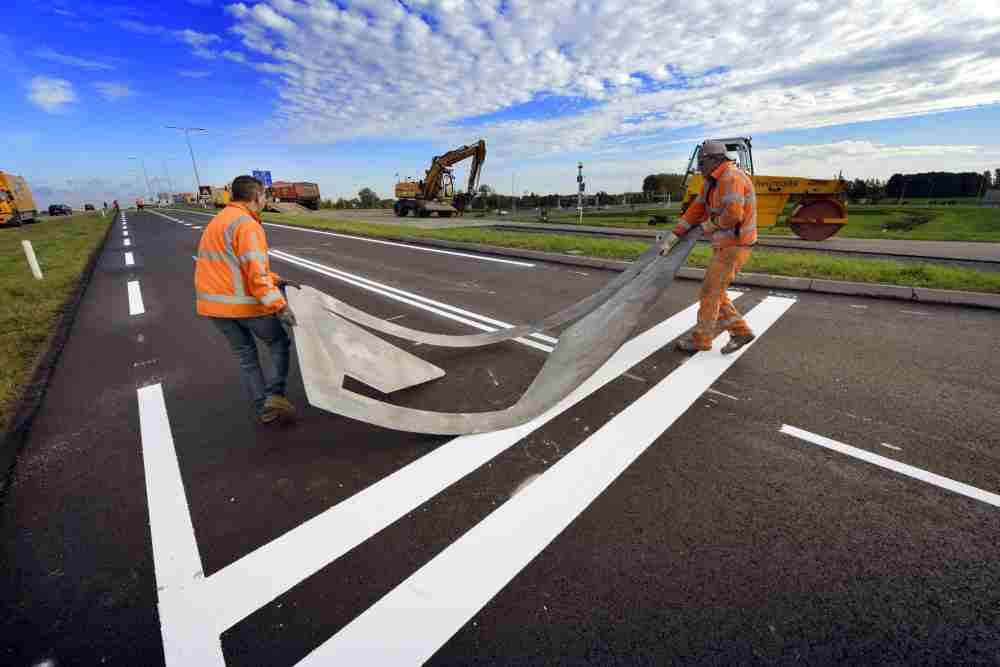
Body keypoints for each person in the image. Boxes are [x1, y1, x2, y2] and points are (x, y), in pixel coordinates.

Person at [194, 175, 302, 424]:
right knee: (278, 342)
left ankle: (264, 408)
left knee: (246, 357)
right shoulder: (247, 225)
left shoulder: (220, 221)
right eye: (264, 195)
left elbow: (234, 264)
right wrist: (280, 305)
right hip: (243, 304)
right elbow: (254, 273)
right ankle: (274, 395)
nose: (265, 200)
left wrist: (275, 279)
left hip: (214, 307)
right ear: (256, 197)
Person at [658, 139, 758, 354]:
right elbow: (696, 209)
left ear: (714, 160)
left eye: (701, 162)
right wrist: (673, 236)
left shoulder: (730, 178)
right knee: (717, 292)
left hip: (735, 244)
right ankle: (740, 331)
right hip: (726, 244)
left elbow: (733, 215)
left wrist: (710, 225)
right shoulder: (713, 180)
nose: (699, 167)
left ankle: (701, 340)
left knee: (710, 292)